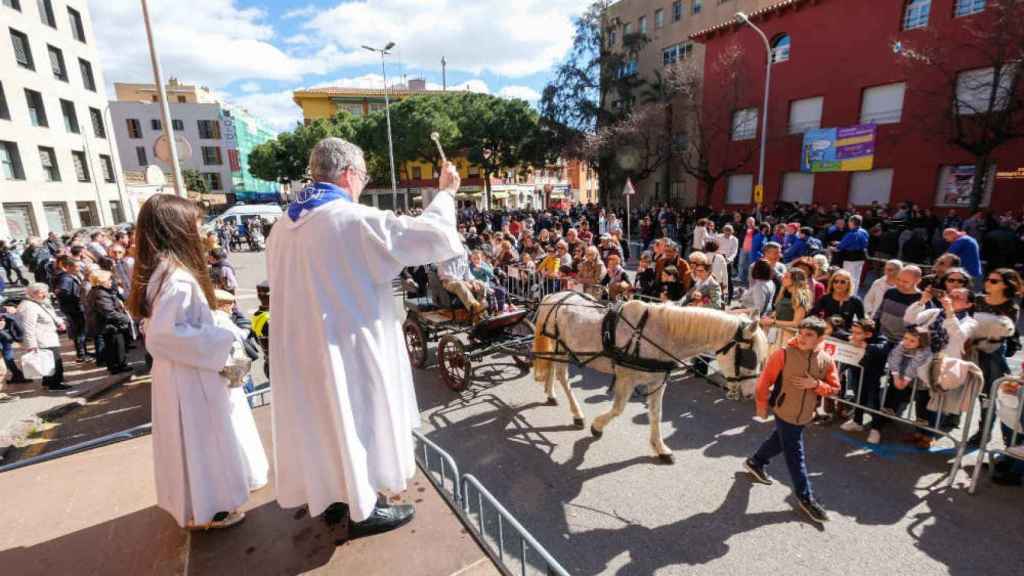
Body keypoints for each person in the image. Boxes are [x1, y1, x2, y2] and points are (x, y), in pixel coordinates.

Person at [267, 138, 466, 536]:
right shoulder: (350, 219)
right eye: (363, 176)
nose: (362, 184)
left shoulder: (281, 227)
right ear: (348, 174)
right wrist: (445, 193)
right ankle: (364, 507)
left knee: (320, 423)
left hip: (300, 351)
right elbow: (429, 236)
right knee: (356, 420)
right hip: (347, 349)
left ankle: (331, 498)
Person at [128, 194, 251, 531]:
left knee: (192, 444)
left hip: (182, 374)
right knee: (202, 443)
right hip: (190, 379)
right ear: (176, 228)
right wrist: (224, 338)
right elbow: (166, 336)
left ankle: (203, 506)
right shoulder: (178, 278)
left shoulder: (163, 272)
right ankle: (209, 509)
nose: (201, 231)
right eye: (195, 224)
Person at [744, 316, 839, 524]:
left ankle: (756, 461)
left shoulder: (826, 360)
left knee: (780, 440)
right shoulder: (783, 354)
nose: (802, 338)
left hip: (805, 414)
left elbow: (834, 388)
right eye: (801, 332)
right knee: (795, 454)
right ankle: (806, 498)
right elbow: (764, 382)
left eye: (809, 335)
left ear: (821, 338)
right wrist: (761, 407)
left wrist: (815, 384)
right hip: (784, 410)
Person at [211, 289, 269, 491]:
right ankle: (249, 475)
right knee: (241, 427)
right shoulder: (220, 319)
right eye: (229, 304)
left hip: (232, 376)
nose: (232, 307)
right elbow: (239, 336)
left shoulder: (217, 318)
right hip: (233, 377)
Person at [842, 319, 889, 436]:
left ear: (868, 334)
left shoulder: (881, 339)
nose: (853, 335)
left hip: (873, 375)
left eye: (857, 333)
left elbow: (882, 348)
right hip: (858, 372)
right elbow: (839, 334)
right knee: (859, 397)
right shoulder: (854, 337)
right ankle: (857, 422)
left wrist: (866, 345)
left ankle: (876, 428)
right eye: (852, 332)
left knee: (873, 400)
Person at [17, 283, 69, 391]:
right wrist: (32, 345)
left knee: (48, 362)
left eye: (45, 292)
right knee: (55, 362)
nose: (45, 295)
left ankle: (48, 383)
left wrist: (59, 322)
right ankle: (54, 384)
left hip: (48, 336)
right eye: (42, 293)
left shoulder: (38, 302)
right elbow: (28, 327)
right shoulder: (29, 307)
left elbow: (50, 314)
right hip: (42, 340)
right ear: (33, 294)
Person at [86, 270, 133, 374]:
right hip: (109, 325)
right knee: (115, 346)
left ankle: (118, 366)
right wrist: (125, 318)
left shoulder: (100, 291)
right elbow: (109, 312)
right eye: (108, 280)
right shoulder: (100, 293)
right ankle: (117, 367)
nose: (111, 282)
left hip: (109, 325)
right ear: (101, 281)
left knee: (114, 346)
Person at [761, 269, 812, 347]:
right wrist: (770, 316)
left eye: (786, 277)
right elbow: (779, 310)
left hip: (788, 336)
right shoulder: (784, 292)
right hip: (775, 332)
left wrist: (773, 322)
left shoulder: (800, 297)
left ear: (795, 280)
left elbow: (796, 323)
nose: (783, 278)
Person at [52, 256, 88, 362]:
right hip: (74, 308)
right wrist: (77, 299)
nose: (78, 269)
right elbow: (62, 292)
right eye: (76, 267)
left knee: (78, 330)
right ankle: (81, 354)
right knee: (79, 331)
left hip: (72, 307)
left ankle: (82, 351)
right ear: (68, 267)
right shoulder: (66, 278)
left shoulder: (66, 276)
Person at [834, 214, 870, 295]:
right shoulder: (864, 231)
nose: (848, 223)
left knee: (848, 277)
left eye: (849, 222)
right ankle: (854, 294)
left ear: (852, 222)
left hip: (850, 258)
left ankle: (848, 294)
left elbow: (841, 246)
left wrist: (837, 245)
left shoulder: (851, 233)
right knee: (857, 277)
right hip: (861, 257)